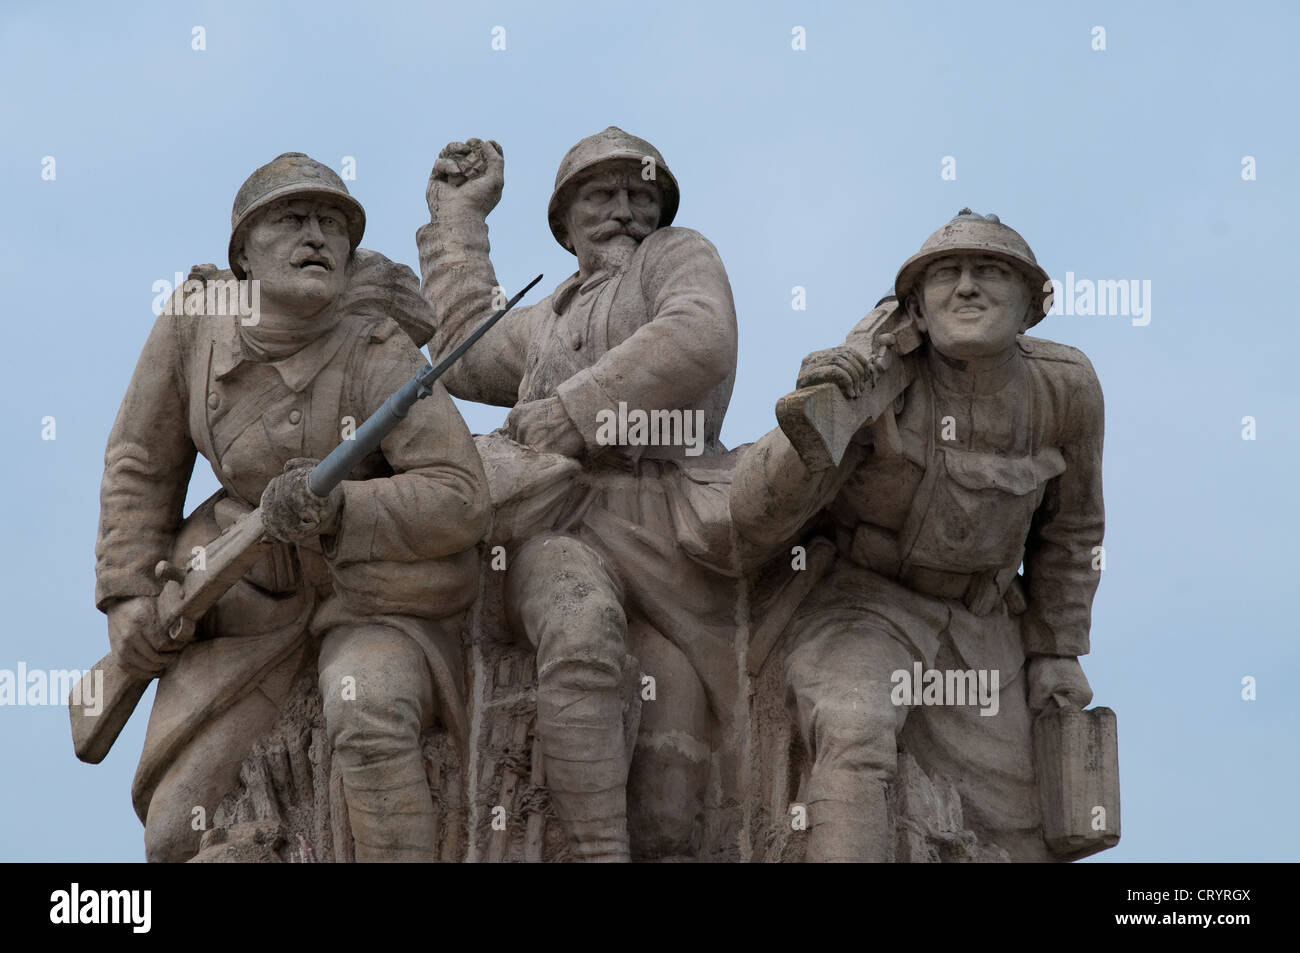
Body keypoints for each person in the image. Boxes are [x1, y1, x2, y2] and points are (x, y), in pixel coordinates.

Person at [95, 152, 490, 862]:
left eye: (334, 224)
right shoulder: (194, 321)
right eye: (293, 219)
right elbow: (138, 462)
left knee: (367, 714)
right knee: (172, 833)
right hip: (242, 597)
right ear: (243, 251)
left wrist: (341, 510)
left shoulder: (376, 345)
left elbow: (460, 497)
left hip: (369, 594)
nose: (317, 236)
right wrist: (127, 597)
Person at [730, 209, 1103, 861]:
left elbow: (1072, 529)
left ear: (1029, 309)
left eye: (990, 271)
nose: (966, 286)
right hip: (867, 606)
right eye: (946, 276)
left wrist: (1056, 649)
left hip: (984, 625)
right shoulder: (873, 378)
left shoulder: (1064, 390)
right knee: (855, 725)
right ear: (918, 312)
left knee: (1022, 827)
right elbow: (752, 513)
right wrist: (818, 419)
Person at [418, 128, 740, 861]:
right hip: (561, 521)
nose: (624, 209)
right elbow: (462, 343)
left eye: (641, 194)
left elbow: (699, 335)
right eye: (602, 194)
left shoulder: (677, 257)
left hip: (669, 531)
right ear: (564, 222)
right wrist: (459, 222)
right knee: (581, 626)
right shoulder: (549, 319)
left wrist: (571, 411)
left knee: (679, 750)